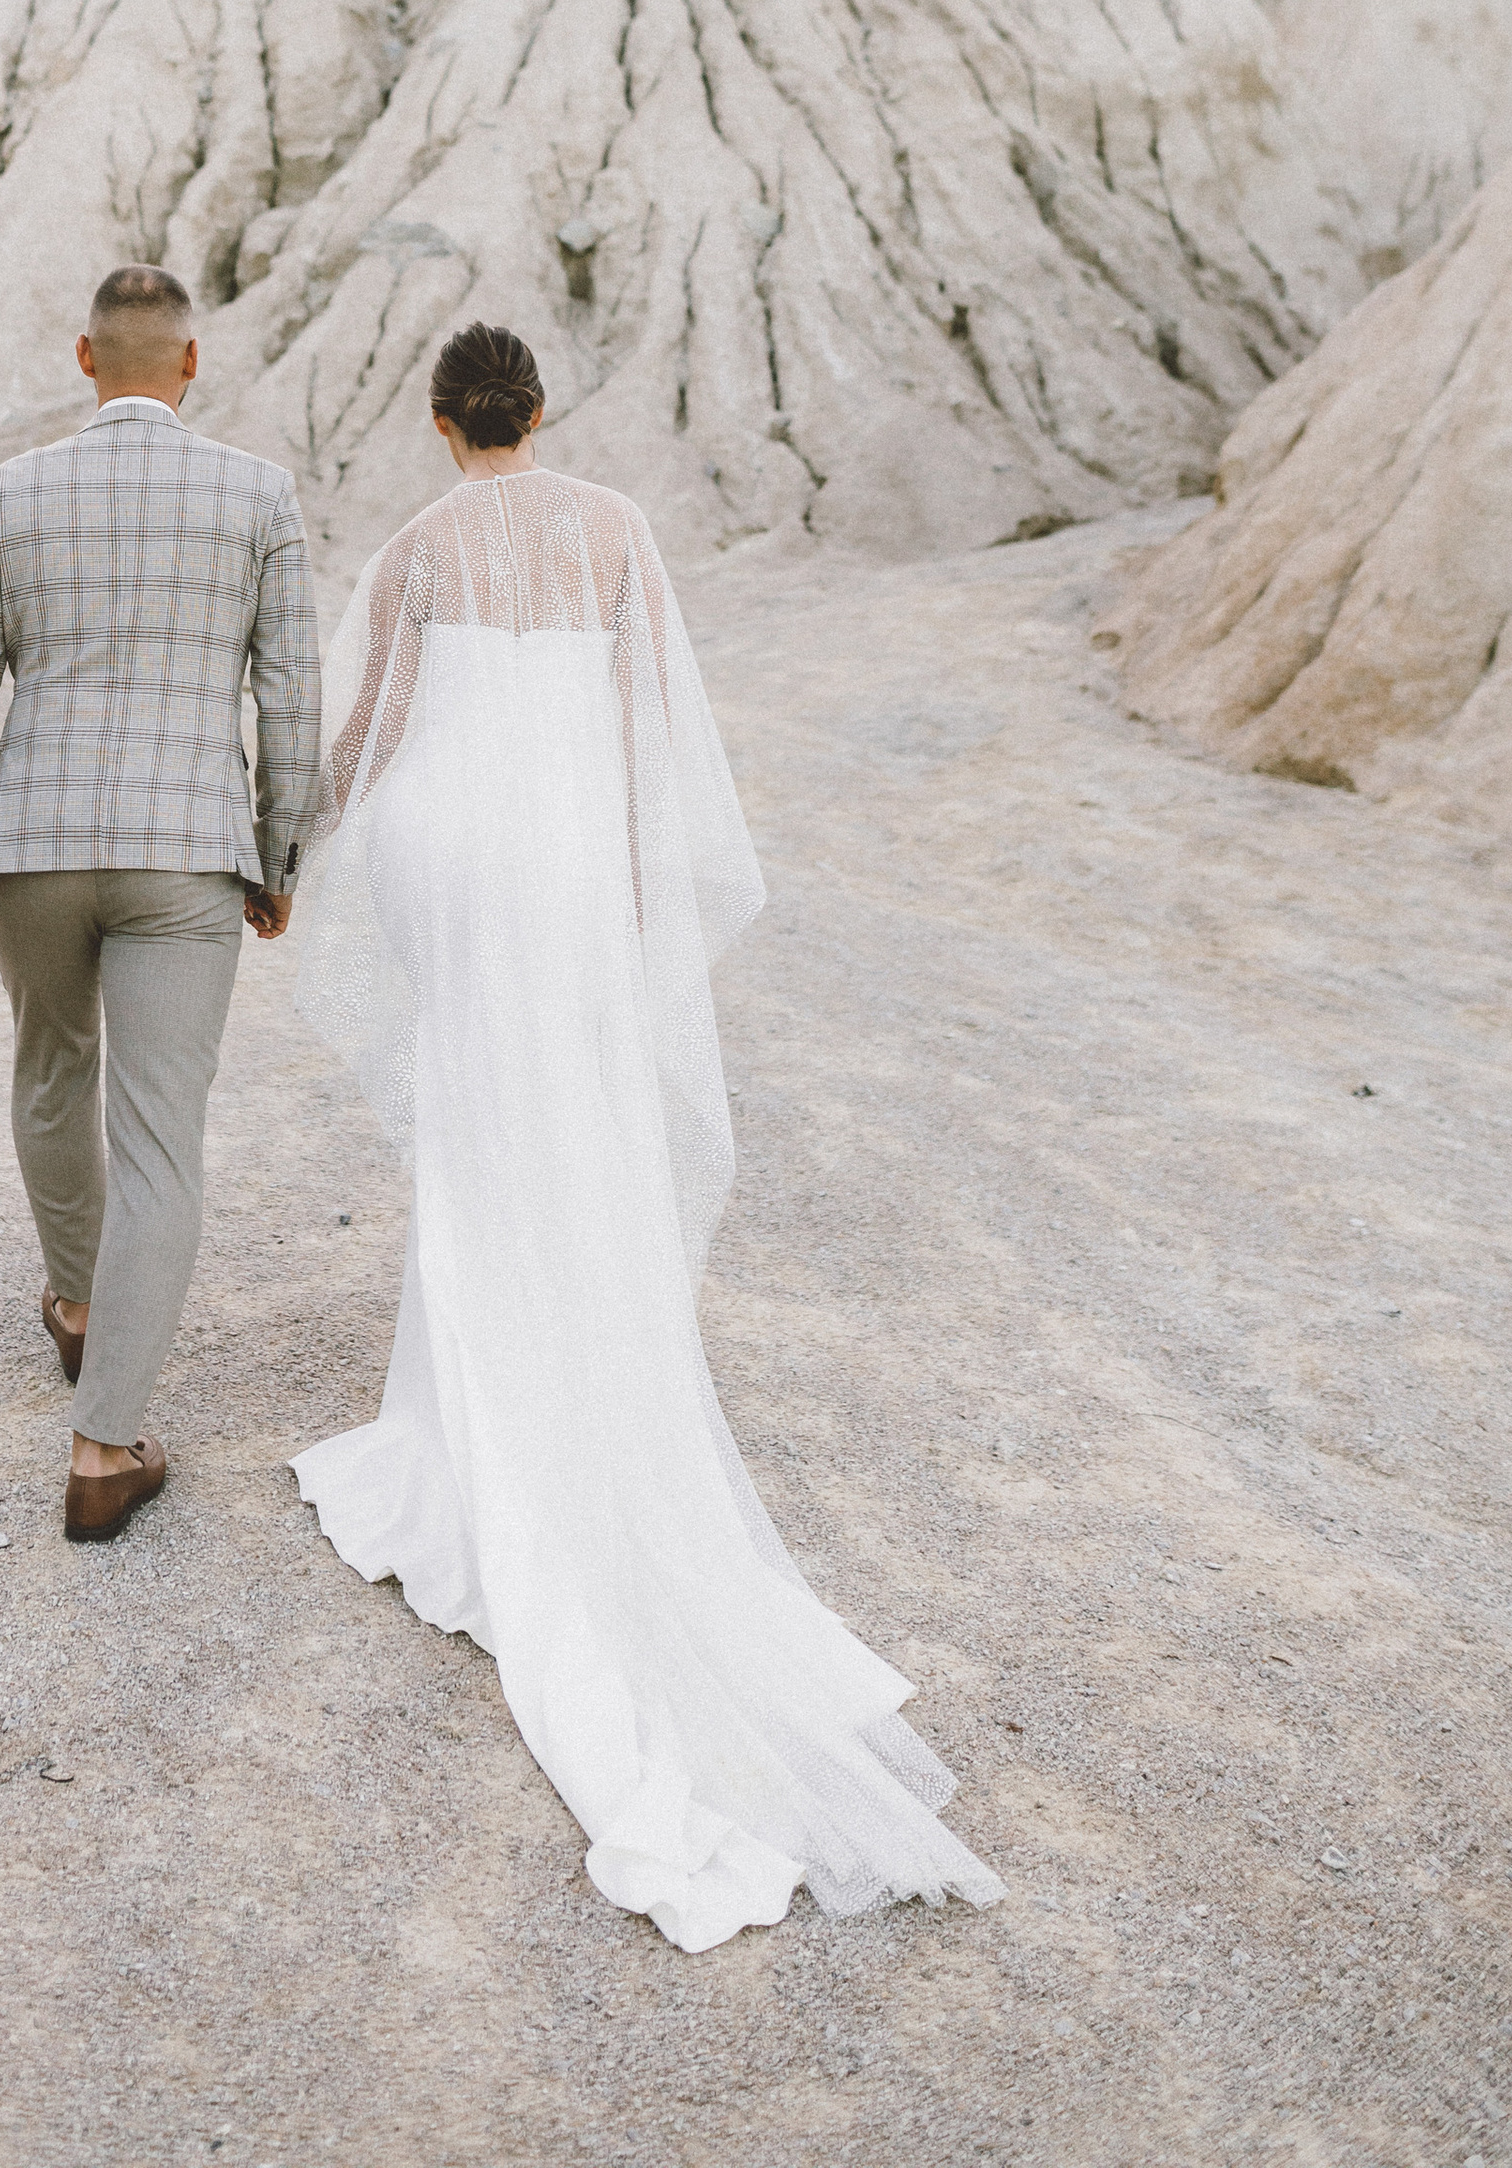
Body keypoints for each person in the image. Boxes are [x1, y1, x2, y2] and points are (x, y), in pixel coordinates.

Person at [290, 321, 1004, 1949]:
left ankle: (468, 1407)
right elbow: (639, 727)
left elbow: (377, 724)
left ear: (439, 421)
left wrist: (303, 836)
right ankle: (563, 1340)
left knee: (473, 1112)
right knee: (567, 1103)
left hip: (448, 853)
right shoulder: (613, 529)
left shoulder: (411, 548)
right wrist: (618, 875)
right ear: (538, 414)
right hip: (555, 851)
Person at [0, 265, 321, 1542]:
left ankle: (79, 1309)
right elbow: (289, 694)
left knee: (48, 1072)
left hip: (29, 845)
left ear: (85, 360)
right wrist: (279, 852)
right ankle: (102, 1444)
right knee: (159, 1136)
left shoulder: (9, 495)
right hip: (184, 849)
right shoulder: (255, 493)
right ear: (190, 366)